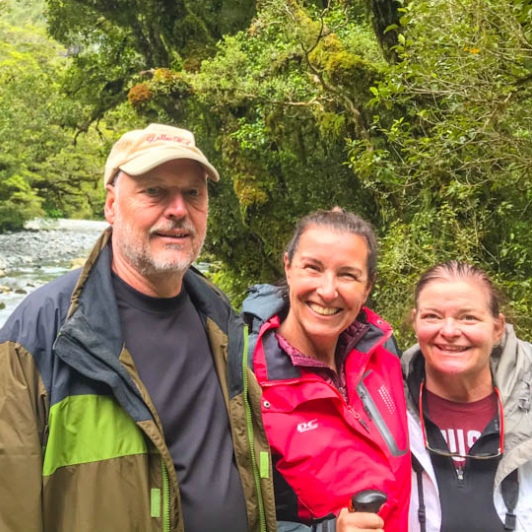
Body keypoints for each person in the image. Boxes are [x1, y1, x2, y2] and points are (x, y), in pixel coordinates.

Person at [0, 123, 276, 532]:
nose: (179, 209)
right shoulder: (41, 333)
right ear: (111, 205)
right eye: (155, 191)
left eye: (193, 193)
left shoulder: (222, 321)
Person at [242, 208, 411, 532]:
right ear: (288, 266)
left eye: (347, 274)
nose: (328, 290)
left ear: (368, 286)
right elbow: (223, 512)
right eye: (313, 268)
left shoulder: (382, 350)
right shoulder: (245, 376)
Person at [404, 261, 532, 532]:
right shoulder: (384, 404)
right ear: (414, 322)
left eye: (468, 318)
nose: (449, 331)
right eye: (432, 317)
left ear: (497, 328)